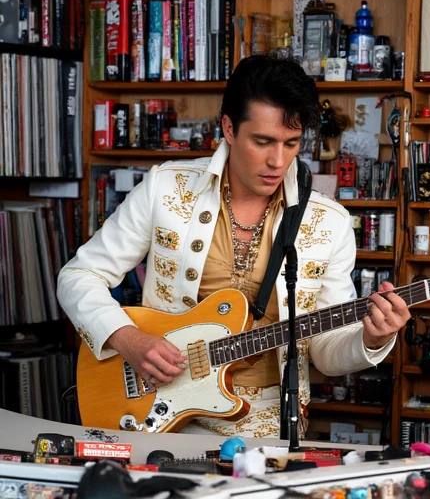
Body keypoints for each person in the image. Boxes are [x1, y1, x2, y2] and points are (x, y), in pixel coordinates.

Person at [57, 55, 411, 438]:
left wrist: (372, 339)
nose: (278, 161)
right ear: (228, 127)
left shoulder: (330, 223)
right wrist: (127, 339)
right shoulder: (165, 187)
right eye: (263, 142)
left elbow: (324, 350)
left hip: (269, 420)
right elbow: (78, 275)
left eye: (291, 144)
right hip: (157, 406)